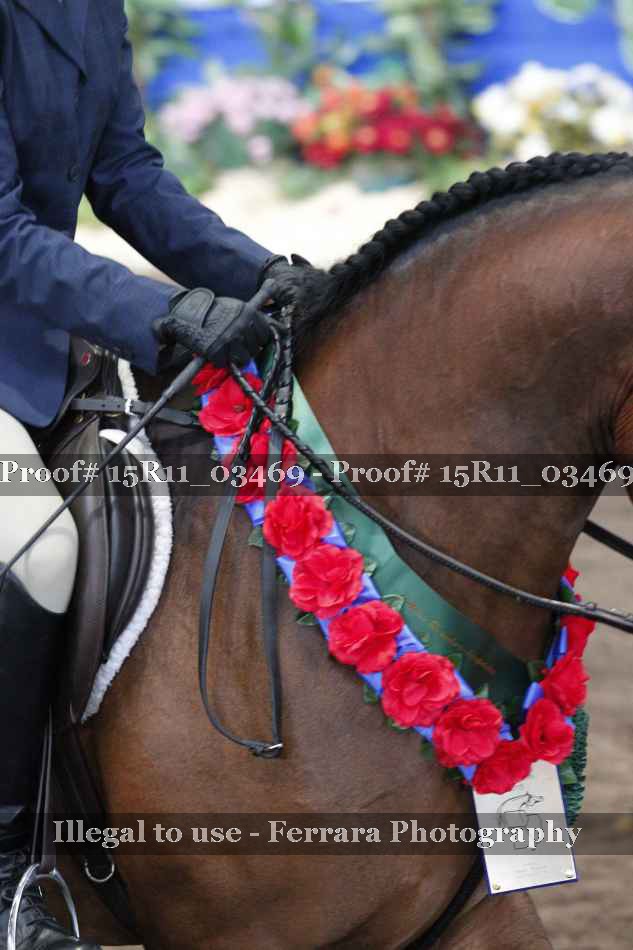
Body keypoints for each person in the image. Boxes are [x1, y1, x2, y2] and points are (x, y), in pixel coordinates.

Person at [0, 2, 308, 946]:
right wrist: (165, 312)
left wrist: (260, 276)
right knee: (37, 549)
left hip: (40, 350)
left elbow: (125, 172)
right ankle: (7, 873)